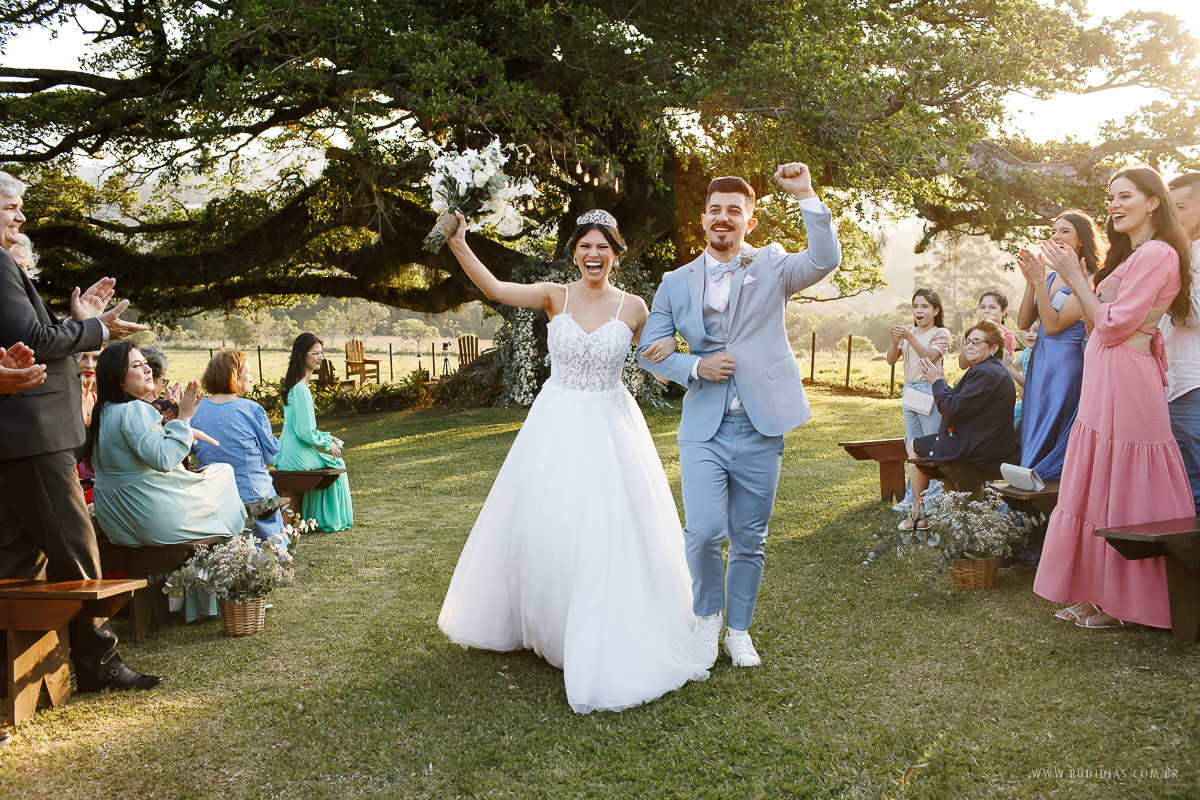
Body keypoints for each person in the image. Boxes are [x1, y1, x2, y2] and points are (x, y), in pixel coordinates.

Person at [437, 207, 710, 714]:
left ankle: (599, 630)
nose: (593, 254)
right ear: (574, 253)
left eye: (602, 245)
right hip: (555, 420)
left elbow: (662, 358)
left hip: (610, 424)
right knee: (546, 523)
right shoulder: (552, 296)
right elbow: (495, 288)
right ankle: (544, 623)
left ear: (615, 253)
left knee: (602, 528)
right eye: (585, 245)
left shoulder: (634, 308)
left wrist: (689, 361)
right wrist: (458, 242)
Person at [637, 163, 842, 668]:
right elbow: (647, 349)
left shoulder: (773, 264)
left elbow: (825, 257)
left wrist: (807, 195)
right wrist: (694, 364)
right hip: (703, 426)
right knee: (704, 531)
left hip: (761, 422)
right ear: (703, 220)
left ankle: (739, 630)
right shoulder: (674, 281)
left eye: (734, 211)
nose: (722, 218)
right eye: (714, 211)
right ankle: (707, 619)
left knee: (750, 537)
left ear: (749, 221)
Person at [0, 170, 162, 701]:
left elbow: (37, 333)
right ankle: (98, 663)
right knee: (76, 551)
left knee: (20, 557)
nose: (21, 217)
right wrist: (91, 330)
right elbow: (34, 339)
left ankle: (31, 668)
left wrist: (81, 318)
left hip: (20, 437)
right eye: (11, 207)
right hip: (34, 434)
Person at [1034, 166, 1194, 629]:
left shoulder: (1160, 253)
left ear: (1153, 201)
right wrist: (1078, 283)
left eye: (1125, 196)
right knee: (1098, 479)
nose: (1114, 205)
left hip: (1128, 375)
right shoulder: (1133, 254)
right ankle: (1095, 591)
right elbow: (1090, 323)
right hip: (1104, 372)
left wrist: (1075, 278)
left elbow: (1115, 324)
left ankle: (1128, 600)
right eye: (1109, 198)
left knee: (1126, 482)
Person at [901, 318, 1020, 530]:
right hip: (986, 444)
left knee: (916, 446)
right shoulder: (991, 369)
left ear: (994, 348)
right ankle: (956, 512)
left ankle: (918, 514)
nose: (970, 346)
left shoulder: (985, 372)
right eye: (968, 341)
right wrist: (940, 383)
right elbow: (960, 407)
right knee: (930, 449)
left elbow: (951, 408)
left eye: (977, 342)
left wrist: (937, 381)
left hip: (980, 450)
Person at [1014, 211, 1104, 479]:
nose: (1056, 236)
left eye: (1065, 231)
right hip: (1040, 360)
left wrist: (1040, 280)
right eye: (1054, 231)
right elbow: (1023, 322)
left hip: (1066, 362)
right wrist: (1033, 282)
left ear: (1081, 239)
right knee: (1034, 423)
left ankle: (1048, 485)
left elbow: (1053, 326)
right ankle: (1025, 483)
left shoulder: (1090, 281)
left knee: (1053, 423)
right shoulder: (1051, 278)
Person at [191, 351, 283, 540]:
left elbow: (190, 449)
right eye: (246, 373)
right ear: (234, 376)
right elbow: (270, 455)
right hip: (251, 491)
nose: (250, 378)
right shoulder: (252, 409)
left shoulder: (195, 409)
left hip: (211, 491)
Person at [275, 333, 354, 532]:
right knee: (337, 463)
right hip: (295, 453)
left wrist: (328, 437)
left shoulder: (293, 387)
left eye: (322, 353)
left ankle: (316, 517)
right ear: (302, 355)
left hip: (289, 450)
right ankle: (326, 520)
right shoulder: (301, 389)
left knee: (332, 463)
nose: (320, 357)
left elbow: (302, 428)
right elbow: (304, 433)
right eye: (315, 353)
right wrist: (327, 444)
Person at [886, 288, 951, 514]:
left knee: (931, 445)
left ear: (935, 310)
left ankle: (933, 498)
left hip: (929, 388)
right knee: (911, 444)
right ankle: (912, 497)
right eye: (915, 306)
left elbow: (930, 357)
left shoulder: (940, 333)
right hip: (910, 389)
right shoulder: (910, 332)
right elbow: (891, 360)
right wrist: (896, 341)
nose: (918, 311)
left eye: (924, 306)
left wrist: (908, 336)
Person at [1163, 173, 1200, 515]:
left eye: (1182, 207)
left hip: (1191, 384)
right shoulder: (1172, 252)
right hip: (1167, 380)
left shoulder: (1194, 255)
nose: (1172, 215)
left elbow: (1193, 315)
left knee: (1193, 478)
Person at [958, 290, 1017, 368]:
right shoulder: (972, 332)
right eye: (982, 307)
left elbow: (1000, 366)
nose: (986, 311)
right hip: (973, 376)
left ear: (1003, 311)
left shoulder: (1007, 335)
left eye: (992, 307)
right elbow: (963, 365)